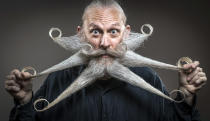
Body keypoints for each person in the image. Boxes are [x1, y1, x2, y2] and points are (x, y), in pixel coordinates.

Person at [5, 0, 207, 121]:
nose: (104, 43)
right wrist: (25, 102)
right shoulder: (57, 80)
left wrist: (186, 98)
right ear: (81, 34)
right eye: (95, 31)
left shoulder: (149, 78)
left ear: (126, 34)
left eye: (113, 31)